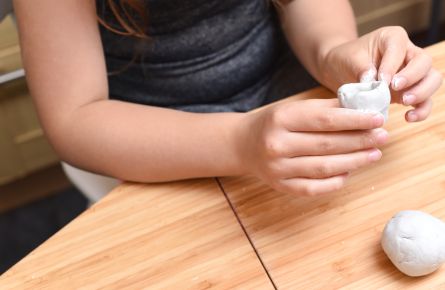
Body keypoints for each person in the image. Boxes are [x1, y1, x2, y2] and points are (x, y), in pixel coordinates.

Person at [13, 0, 442, 197]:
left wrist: (334, 52)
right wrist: (238, 142)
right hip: (151, 144)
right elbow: (75, 119)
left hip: (281, 92)